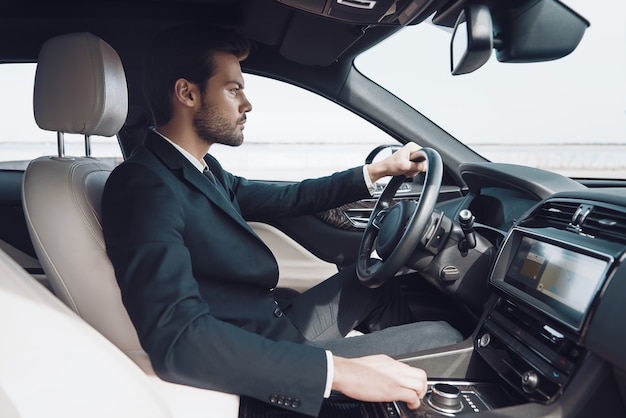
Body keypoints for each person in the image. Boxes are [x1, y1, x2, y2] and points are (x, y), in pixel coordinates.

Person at [101, 25, 462, 417]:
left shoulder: (201, 169)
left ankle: (391, 403)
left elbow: (291, 197)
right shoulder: (143, 184)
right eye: (234, 89)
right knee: (444, 338)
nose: (247, 104)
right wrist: (340, 373)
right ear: (188, 93)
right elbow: (178, 338)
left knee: (373, 282)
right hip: (253, 358)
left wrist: (376, 171)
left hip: (269, 325)